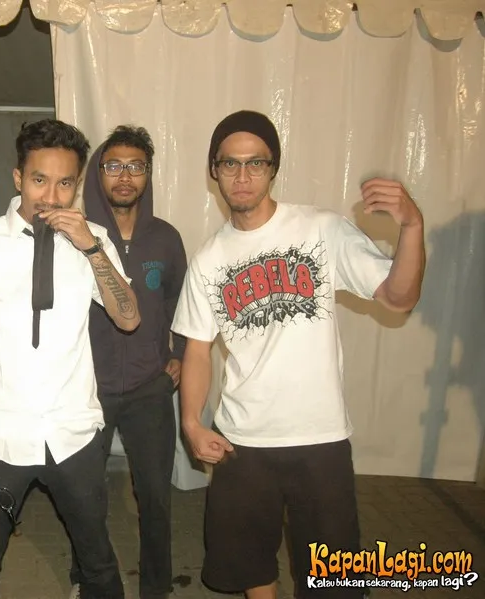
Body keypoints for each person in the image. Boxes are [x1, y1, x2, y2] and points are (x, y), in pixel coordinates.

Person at [173, 110, 425, 599]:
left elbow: (399, 298)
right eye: (230, 163)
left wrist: (412, 225)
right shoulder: (208, 260)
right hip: (243, 440)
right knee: (249, 564)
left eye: (256, 163)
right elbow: (197, 350)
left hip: (319, 437)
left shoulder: (320, 229)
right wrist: (192, 424)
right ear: (213, 171)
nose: (242, 175)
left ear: (273, 169)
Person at [0, 119, 140, 599]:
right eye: (39, 180)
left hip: (73, 432)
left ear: (78, 185)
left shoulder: (94, 239)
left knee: (97, 559)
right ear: (18, 178)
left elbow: (128, 318)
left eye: (64, 183)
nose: (51, 196)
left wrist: (91, 248)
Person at [68, 125, 188, 599]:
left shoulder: (166, 239)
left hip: (148, 388)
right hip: (87, 388)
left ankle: (156, 587)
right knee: (85, 494)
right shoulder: (76, 236)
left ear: (148, 174)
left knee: (155, 495)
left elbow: (180, 301)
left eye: (136, 166)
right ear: (98, 173)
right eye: (114, 165)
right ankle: (86, 577)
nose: (124, 176)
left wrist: (178, 354)